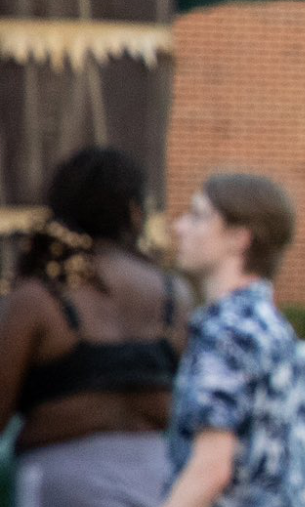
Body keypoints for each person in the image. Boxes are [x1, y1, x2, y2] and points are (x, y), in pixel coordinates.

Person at [0, 148, 192, 507]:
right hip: (157, 481)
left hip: (62, 481)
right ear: (135, 212)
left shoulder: (40, 296)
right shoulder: (173, 295)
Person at [163, 173, 305, 507]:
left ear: (238, 239)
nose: (180, 227)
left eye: (199, 216)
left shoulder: (227, 331)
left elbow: (211, 469)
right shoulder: (271, 326)